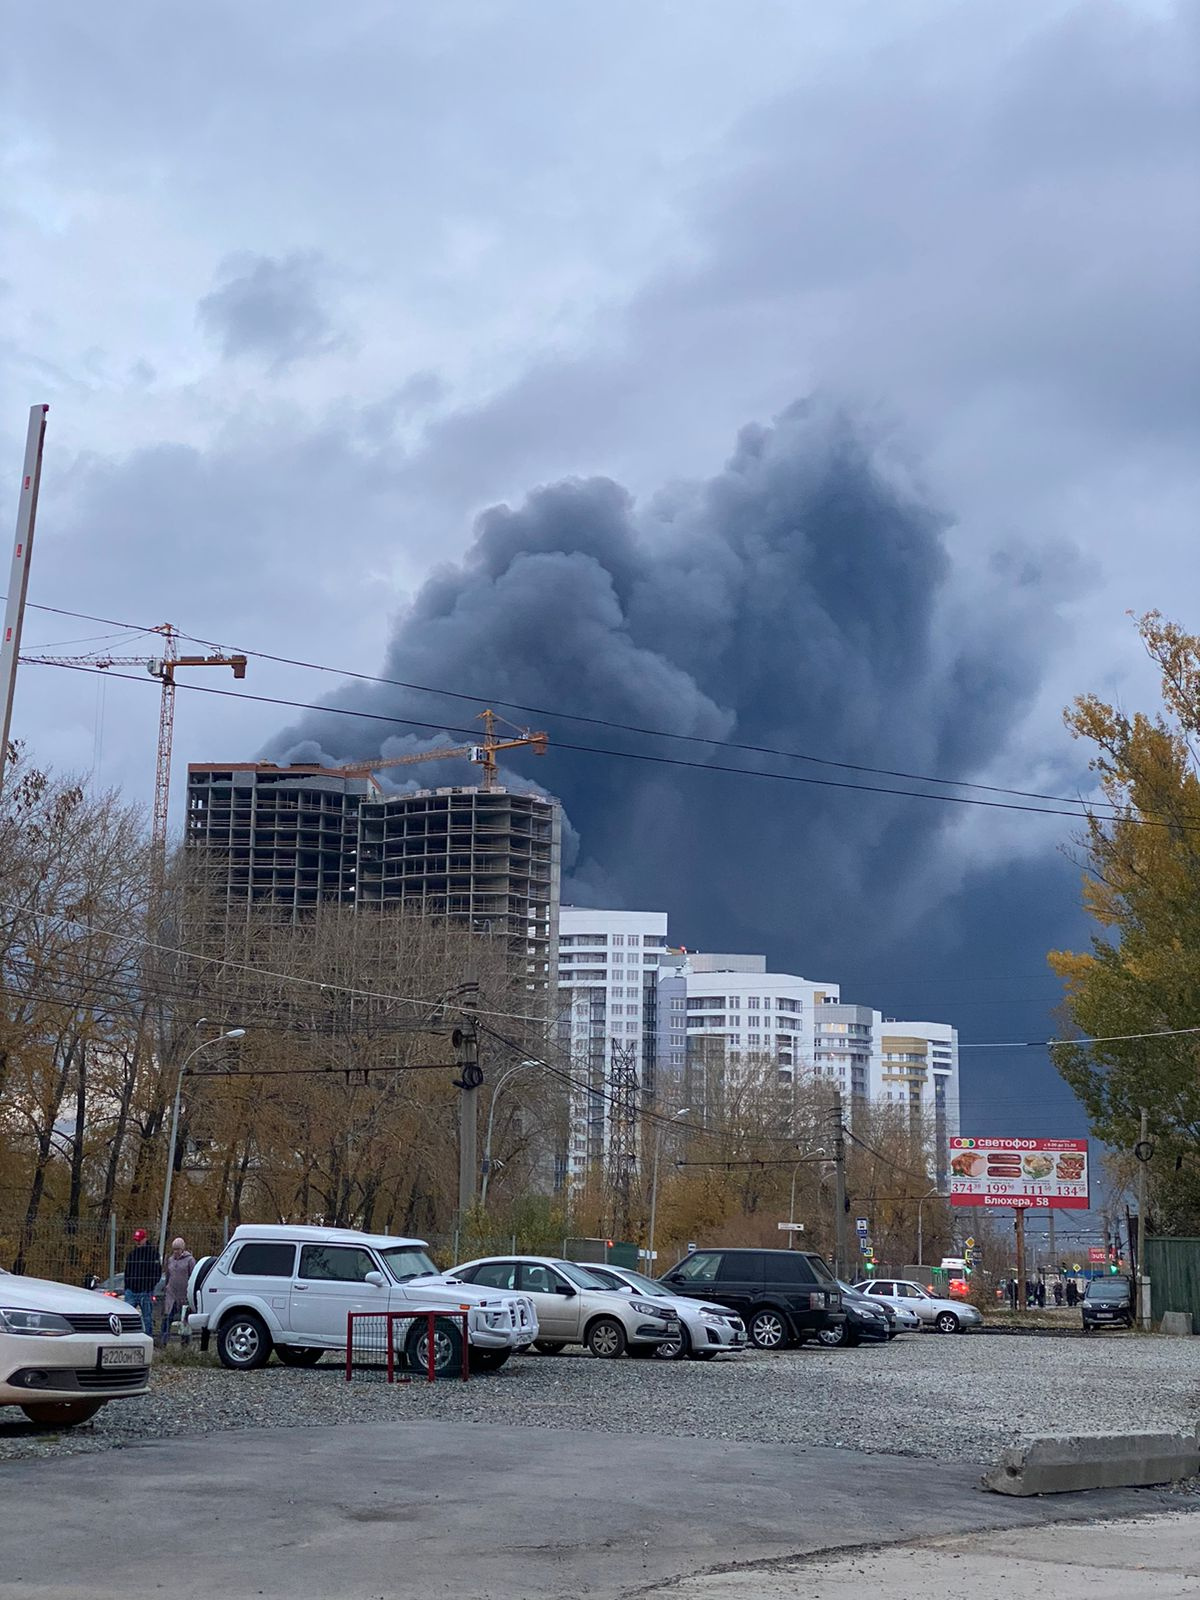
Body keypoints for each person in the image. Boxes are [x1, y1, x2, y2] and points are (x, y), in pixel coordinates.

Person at [123, 1228, 161, 1336]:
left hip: (145, 1291)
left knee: (147, 1318)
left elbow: (156, 1273)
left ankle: (148, 1338)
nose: (137, 1242)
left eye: (139, 1240)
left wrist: (149, 1287)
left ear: (145, 1239)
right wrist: (127, 1287)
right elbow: (127, 1272)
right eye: (136, 1240)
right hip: (131, 1291)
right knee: (127, 1316)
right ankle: (127, 1337)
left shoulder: (152, 1254)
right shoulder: (132, 1255)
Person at [160, 1237, 196, 1347]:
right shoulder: (170, 1260)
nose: (176, 1251)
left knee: (184, 1320)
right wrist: (166, 1287)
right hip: (171, 1294)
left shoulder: (190, 1260)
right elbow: (168, 1275)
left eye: (178, 1249)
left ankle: (185, 1343)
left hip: (184, 1295)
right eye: (174, 1249)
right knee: (167, 1318)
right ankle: (163, 1341)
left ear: (182, 1249)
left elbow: (193, 1276)